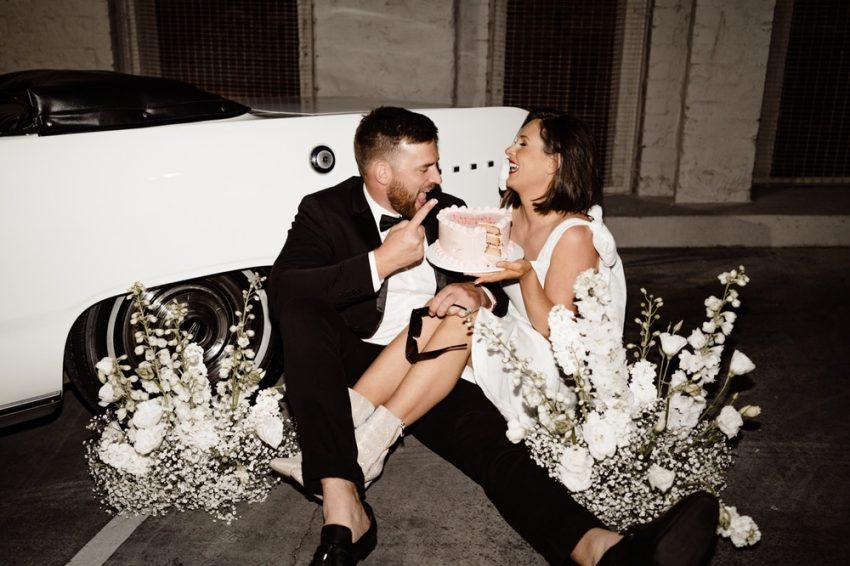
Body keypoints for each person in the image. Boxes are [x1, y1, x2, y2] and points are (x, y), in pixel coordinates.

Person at [268, 106, 718, 566]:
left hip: (444, 357)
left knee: (490, 447)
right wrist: (380, 263)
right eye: (426, 167)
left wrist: (474, 293)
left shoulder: (451, 211)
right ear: (383, 171)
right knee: (303, 310)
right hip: (365, 353)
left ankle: (604, 550)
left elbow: (498, 294)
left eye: (437, 165)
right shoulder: (324, 210)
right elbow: (283, 289)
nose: (438, 178)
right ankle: (343, 487)